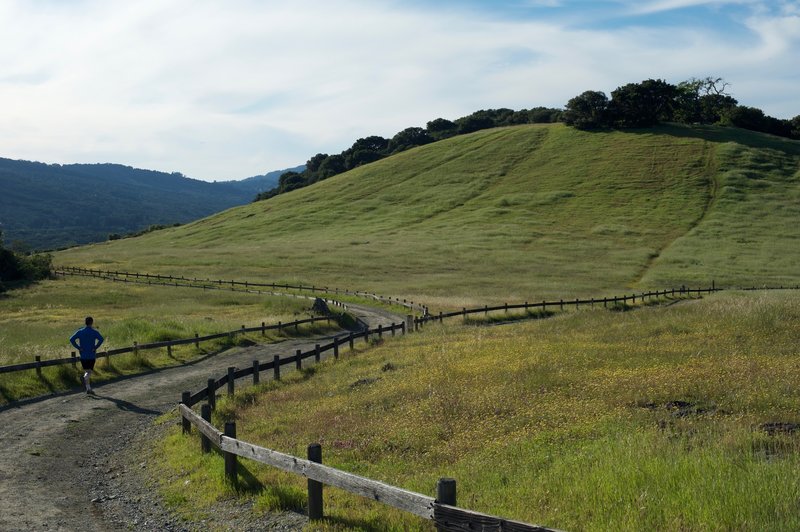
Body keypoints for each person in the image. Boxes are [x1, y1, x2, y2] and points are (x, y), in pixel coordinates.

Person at [69, 316, 104, 394]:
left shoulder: (80, 332)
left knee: (87, 371)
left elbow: (71, 339)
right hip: (91, 355)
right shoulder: (94, 332)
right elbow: (101, 339)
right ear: (92, 322)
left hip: (83, 355)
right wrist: (95, 347)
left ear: (85, 322)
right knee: (88, 372)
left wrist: (78, 347)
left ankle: (88, 388)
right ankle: (87, 386)